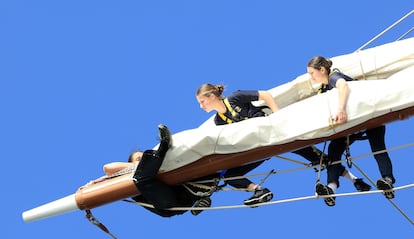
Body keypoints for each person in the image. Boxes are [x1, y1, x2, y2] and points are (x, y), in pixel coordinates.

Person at [195, 83, 369, 205]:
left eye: (202, 101)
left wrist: (278, 118)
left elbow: (265, 95)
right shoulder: (219, 121)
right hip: (258, 148)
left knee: (317, 157)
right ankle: (259, 190)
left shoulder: (234, 98)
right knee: (229, 175)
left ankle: (354, 180)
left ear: (211, 96)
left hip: (274, 133)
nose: (201, 106)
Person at [307, 56, 396, 206]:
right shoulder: (324, 89)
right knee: (334, 149)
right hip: (353, 125)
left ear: (322, 70)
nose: (311, 77)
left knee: (377, 148)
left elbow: (343, 86)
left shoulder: (334, 77)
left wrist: (341, 110)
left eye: (312, 73)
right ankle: (331, 188)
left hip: (369, 116)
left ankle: (387, 180)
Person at [103, 124, 213, 217]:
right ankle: (164, 145)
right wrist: (140, 163)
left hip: (185, 192)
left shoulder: (157, 166)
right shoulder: (133, 173)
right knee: (141, 178)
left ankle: (203, 195)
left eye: (144, 158)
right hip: (168, 205)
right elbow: (108, 168)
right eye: (139, 158)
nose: (143, 160)